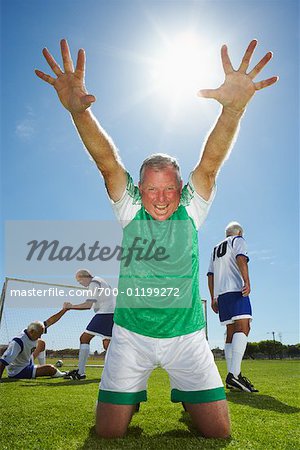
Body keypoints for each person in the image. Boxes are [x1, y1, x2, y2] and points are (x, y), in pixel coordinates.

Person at [35, 38, 277, 438]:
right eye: (151, 189)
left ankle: (190, 393)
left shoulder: (190, 209)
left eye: (169, 189)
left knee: (219, 435)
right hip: (131, 337)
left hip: (186, 337)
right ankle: (132, 396)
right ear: (139, 190)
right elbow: (107, 164)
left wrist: (233, 109)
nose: (161, 198)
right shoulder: (129, 210)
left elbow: (211, 164)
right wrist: (79, 113)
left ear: (180, 187)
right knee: (108, 434)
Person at [207, 221, 258, 393]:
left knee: (230, 331)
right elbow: (241, 259)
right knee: (244, 326)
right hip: (236, 289)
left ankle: (231, 378)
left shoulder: (215, 249)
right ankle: (234, 375)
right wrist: (247, 281)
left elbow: (210, 275)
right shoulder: (238, 240)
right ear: (239, 233)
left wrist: (213, 297)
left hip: (221, 295)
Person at [63, 269, 115, 380]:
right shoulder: (99, 280)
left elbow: (88, 305)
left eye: (79, 281)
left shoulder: (93, 283)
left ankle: (80, 373)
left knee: (84, 338)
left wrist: (70, 306)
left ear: (85, 277)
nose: (80, 284)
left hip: (106, 313)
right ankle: (116, 372)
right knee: (107, 344)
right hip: (112, 313)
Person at [0, 308, 69, 380]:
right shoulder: (18, 342)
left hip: (28, 361)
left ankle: (42, 366)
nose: (40, 336)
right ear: (32, 331)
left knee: (41, 343)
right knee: (50, 368)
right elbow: (3, 361)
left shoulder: (35, 328)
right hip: (19, 371)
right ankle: (62, 374)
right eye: (39, 334)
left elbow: (50, 321)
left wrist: (64, 309)